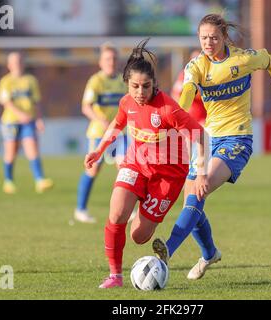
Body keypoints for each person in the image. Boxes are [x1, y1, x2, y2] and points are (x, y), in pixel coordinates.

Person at [152, 13, 271, 280]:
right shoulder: (195, 66)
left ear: (224, 37)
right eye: (204, 38)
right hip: (207, 140)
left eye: (214, 38)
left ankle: (167, 252)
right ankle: (210, 255)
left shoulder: (243, 59)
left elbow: (270, 61)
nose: (208, 42)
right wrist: (177, 118)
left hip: (237, 140)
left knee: (196, 193)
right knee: (192, 203)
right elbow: (187, 92)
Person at [84, 39, 208, 289]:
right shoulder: (126, 102)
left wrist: (202, 172)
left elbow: (200, 134)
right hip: (137, 164)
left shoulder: (167, 109)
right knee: (117, 213)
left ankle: (189, 218)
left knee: (139, 236)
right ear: (127, 84)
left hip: (168, 175)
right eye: (134, 86)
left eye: (146, 86)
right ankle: (115, 276)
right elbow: (116, 125)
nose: (140, 92)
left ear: (154, 84)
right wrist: (99, 150)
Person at [74, 43, 128, 224]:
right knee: (93, 169)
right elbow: (86, 107)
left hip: (120, 133)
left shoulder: (123, 81)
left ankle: (127, 209)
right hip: (99, 133)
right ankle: (80, 209)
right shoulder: (95, 81)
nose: (111, 62)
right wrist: (102, 121)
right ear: (100, 62)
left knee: (125, 169)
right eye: (107, 59)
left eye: (113, 58)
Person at [0, 52, 54, 194]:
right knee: (11, 151)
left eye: (20, 61)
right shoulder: (6, 81)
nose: (17, 64)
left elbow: (36, 101)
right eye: (14, 62)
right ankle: (8, 180)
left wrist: (39, 118)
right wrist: (20, 114)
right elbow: (6, 102)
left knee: (32, 149)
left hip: (28, 121)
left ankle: (40, 180)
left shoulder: (30, 80)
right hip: (11, 121)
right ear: (9, 65)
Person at [171, 49, 206, 126]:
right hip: (189, 118)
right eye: (194, 60)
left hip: (205, 120)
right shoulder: (185, 74)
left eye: (199, 59)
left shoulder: (208, 74)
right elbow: (176, 93)